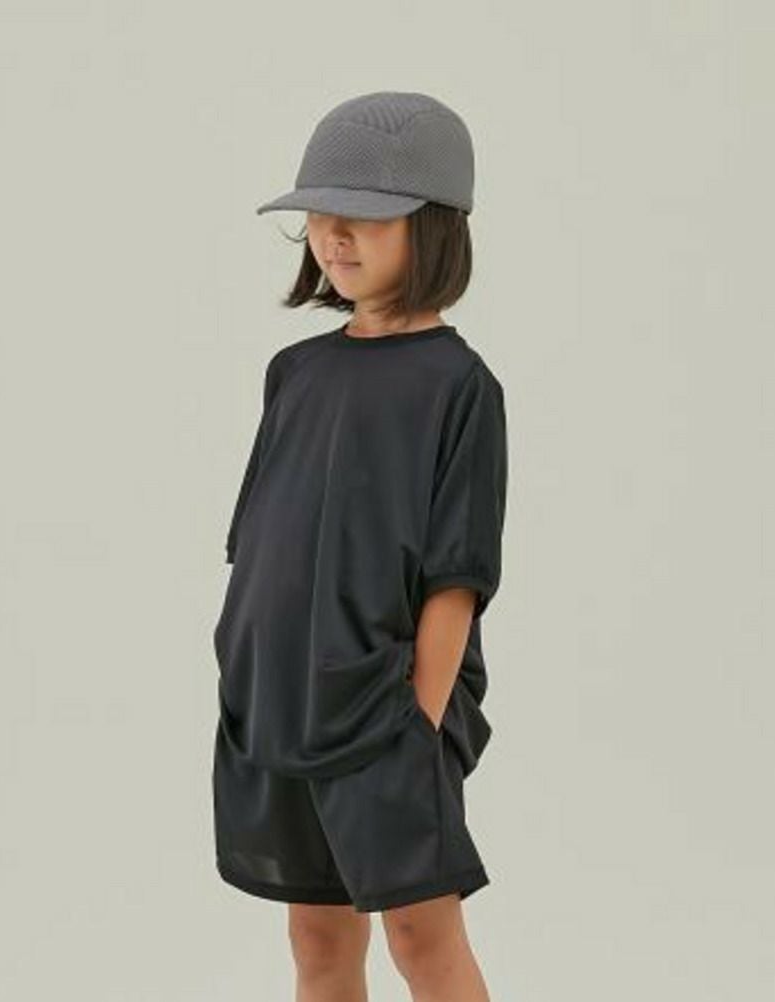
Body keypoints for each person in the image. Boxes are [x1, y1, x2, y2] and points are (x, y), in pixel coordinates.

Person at [211, 91, 508, 1002]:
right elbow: (262, 541)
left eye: (365, 219)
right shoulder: (296, 372)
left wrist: (419, 721)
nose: (334, 238)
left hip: (383, 711)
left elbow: (456, 575)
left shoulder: (459, 386)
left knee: (422, 934)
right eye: (320, 217)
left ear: (435, 227)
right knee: (316, 936)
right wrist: (243, 672)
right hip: (277, 699)